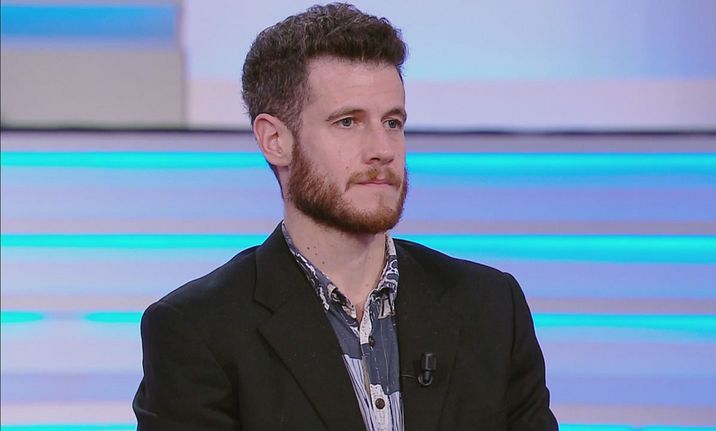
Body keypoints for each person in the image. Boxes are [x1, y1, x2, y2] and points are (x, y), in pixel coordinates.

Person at [133, 3, 558, 430]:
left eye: (392, 122)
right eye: (348, 122)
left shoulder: (490, 308)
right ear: (275, 140)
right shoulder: (197, 331)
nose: (382, 150)